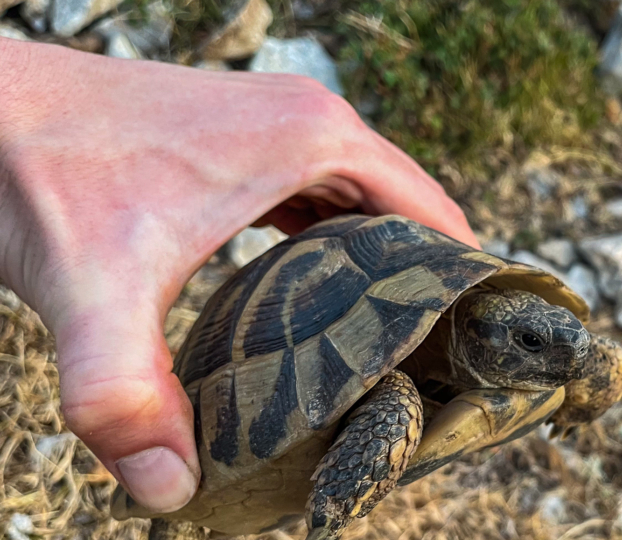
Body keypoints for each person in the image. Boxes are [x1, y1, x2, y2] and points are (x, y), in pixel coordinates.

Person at [0, 38, 479, 515]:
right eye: (526, 342)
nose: (555, 359)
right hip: (283, 355)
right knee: (395, 405)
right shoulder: (397, 397)